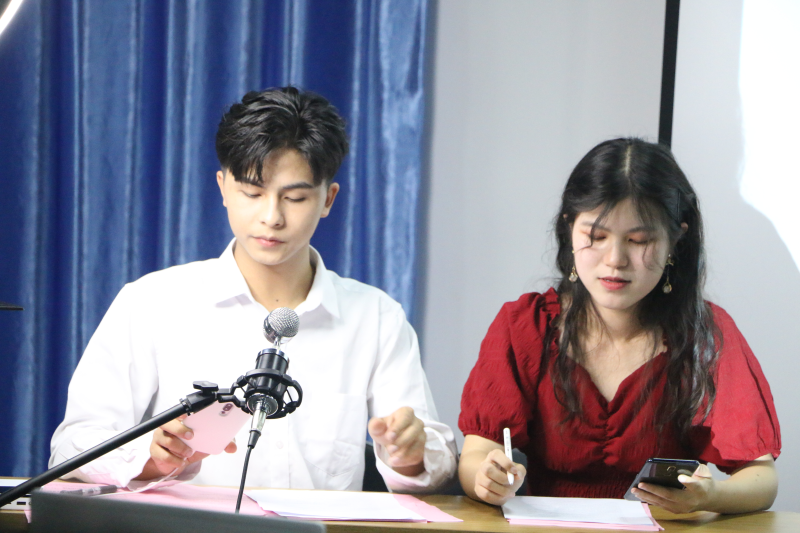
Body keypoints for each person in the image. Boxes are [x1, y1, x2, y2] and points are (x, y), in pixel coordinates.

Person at [50, 86, 457, 493]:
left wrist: (410, 454)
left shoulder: (376, 317)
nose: (271, 217)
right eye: (252, 193)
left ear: (328, 199)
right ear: (223, 187)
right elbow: (71, 447)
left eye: (295, 197)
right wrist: (148, 460)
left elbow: (438, 460)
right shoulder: (152, 302)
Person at [458, 138, 780, 514]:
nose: (615, 259)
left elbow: (761, 477)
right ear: (569, 229)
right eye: (596, 237)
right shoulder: (526, 325)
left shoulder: (705, 334)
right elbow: (476, 454)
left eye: (639, 240)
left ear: (675, 241)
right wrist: (487, 478)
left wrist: (709, 497)